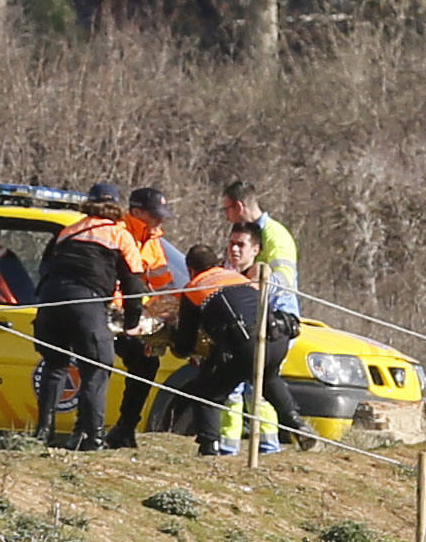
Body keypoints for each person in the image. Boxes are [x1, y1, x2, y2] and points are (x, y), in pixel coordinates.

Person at [170, 245, 317, 455]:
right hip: (277, 338)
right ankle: (297, 424)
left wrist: (178, 346)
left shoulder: (194, 288)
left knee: (207, 392)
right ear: (218, 264)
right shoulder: (238, 277)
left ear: (191, 269)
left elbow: (185, 341)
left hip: (244, 343)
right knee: (268, 379)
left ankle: (209, 447)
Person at [33, 182, 147, 451]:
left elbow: (44, 267)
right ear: (116, 206)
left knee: (55, 364)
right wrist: (131, 323)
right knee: (98, 365)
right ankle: (91, 437)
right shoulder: (120, 236)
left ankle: (41, 433)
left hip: (49, 301)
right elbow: (134, 284)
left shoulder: (68, 231)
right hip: (86, 302)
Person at [105, 187, 174, 449]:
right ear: (137, 212)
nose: (161, 220)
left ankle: (125, 428)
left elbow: (162, 284)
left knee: (147, 364)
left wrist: (165, 312)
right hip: (110, 313)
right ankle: (90, 429)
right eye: (155, 215)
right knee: (98, 366)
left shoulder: (153, 239)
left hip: (134, 316)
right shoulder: (118, 232)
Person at [221, 181, 299, 297]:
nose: (227, 217)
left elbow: (285, 279)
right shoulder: (240, 235)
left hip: (278, 311)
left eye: (226, 210)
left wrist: (254, 287)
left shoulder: (276, 234)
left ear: (238, 207)